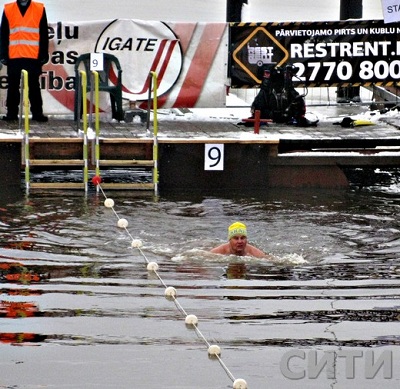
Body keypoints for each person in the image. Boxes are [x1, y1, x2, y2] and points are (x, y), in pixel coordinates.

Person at [0, 0, 49, 122]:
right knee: (13, 86)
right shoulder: (8, 8)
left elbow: (43, 33)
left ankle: (37, 113)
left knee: (33, 86)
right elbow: (3, 34)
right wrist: (3, 54)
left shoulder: (39, 8)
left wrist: (43, 53)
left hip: (32, 56)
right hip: (14, 56)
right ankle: (11, 114)